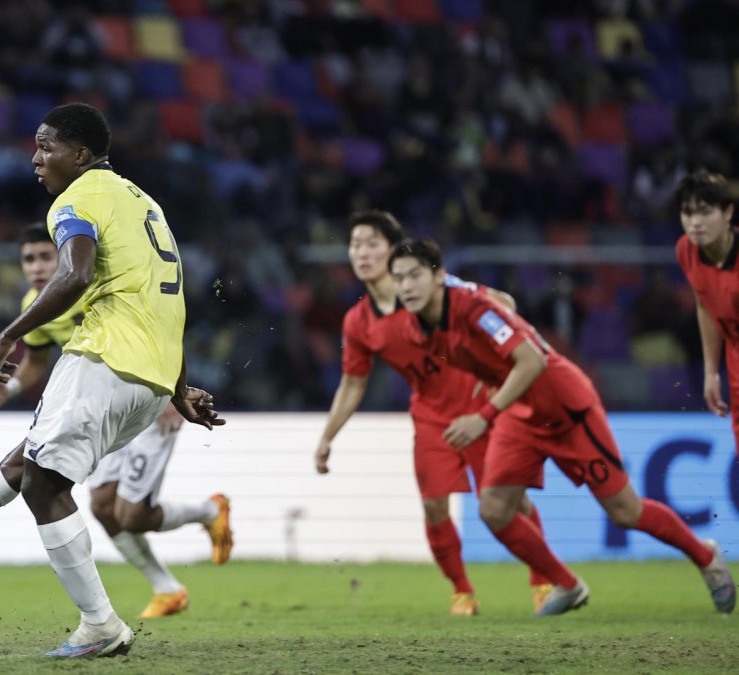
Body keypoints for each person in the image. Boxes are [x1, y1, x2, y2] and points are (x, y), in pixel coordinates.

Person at [0, 103, 223, 657]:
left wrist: (10, 332)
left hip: (103, 360)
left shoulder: (77, 199)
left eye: (46, 147)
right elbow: (166, 305)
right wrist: (175, 388)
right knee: (24, 467)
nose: (36, 158)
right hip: (147, 382)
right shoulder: (143, 203)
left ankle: (100, 625)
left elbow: (74, 273)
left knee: (43, 484)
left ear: (80, 156)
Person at [387, 238, 736, 616]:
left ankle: (705, 556)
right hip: (520, 416)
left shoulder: (472, 308)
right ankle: (567, 585)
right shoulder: (418, 326)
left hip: (567, 408)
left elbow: (532, 359)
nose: (406, 286)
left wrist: (483, 414)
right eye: (399, 278)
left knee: (625, 512)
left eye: (415, 275)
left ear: (439, 276)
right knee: (494, 509)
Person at [0, 223, 232, 619]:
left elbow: (159, 322)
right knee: (101, 505)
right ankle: (167, 588)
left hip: (147, 400)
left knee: (132, 515)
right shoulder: (38, 301)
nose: (37, 266)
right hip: (104, 411)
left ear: (66, 252)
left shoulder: (94, 281)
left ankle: (209, 512)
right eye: (29, 259)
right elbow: (40, 361)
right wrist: (9, 388)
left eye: (46, 255)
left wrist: (173, 390)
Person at [314, 210, 552, 616]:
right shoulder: (358, 322)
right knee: (432, 505)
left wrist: (502, 363)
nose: (362, 253)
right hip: (430, 415)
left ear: (393, 251)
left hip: (481, 407)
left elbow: (504, 302)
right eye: (355, 245)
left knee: (512, 502)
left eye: (372, 244)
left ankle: (544, 580)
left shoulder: (429, 288)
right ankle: (462, 592)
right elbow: (353, 383)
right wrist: (327, 436)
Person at [674, 170, 739, 451]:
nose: (695, 223)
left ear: (728, 212)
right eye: (688, 214)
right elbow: (704, 304)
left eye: (705, 212)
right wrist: (711, 371)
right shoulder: (686, 250)